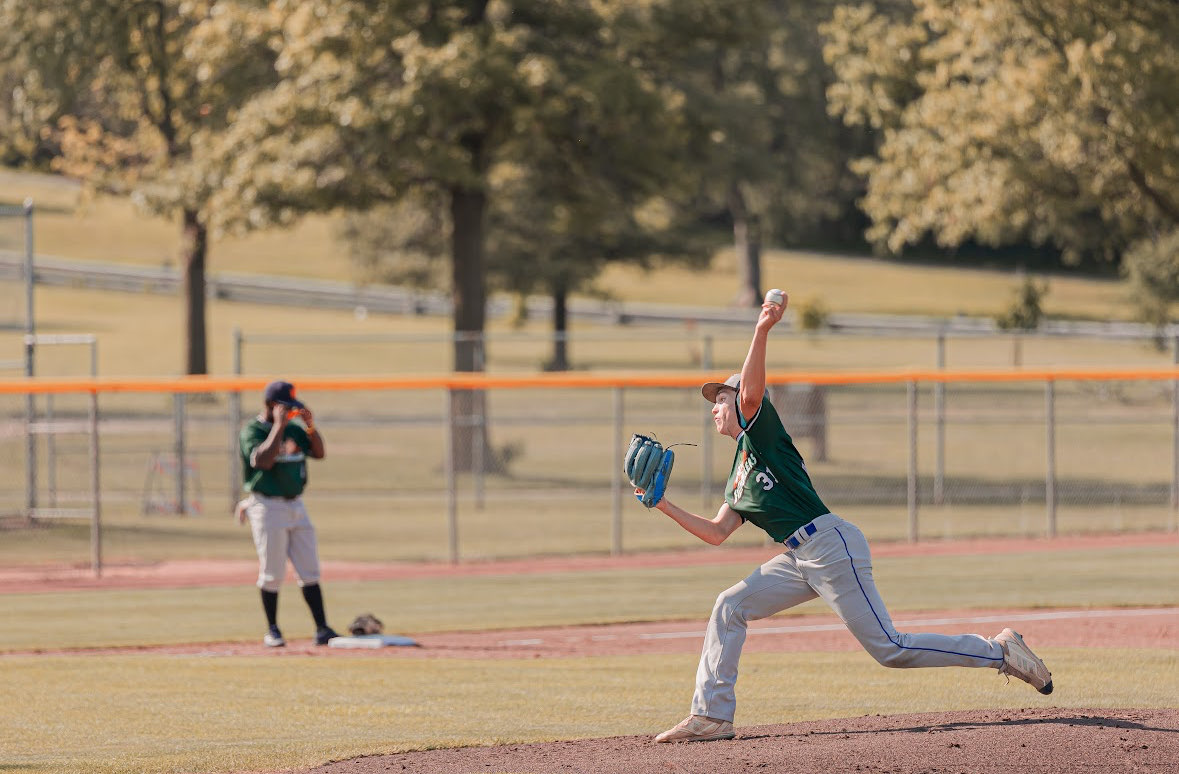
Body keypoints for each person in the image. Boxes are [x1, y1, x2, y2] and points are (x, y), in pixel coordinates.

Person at [643, 291, 1053, 743]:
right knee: (729, 605)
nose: (714, 407)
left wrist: (762, 329)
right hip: (799, 558)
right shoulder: (738, 473)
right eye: (713, 401)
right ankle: (712, 716)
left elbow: (754, 391)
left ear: (741, 401)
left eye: (720, 398)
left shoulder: (763, 434)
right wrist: (663, 504)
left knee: (889, 649)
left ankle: (1000, 652)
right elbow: (717, 532)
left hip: (830, 545)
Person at [236, 380, 339, 648]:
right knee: (272, 571)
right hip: (268, 507)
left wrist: (310, 426)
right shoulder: (253, 430)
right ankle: (273, 629)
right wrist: (279, 427)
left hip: (296, 505)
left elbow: (319, 453)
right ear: (271, 405)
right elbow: (261, 461)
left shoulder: (295, 429)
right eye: (285, 407)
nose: (290, 413)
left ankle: (322, 628)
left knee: (310, 569)